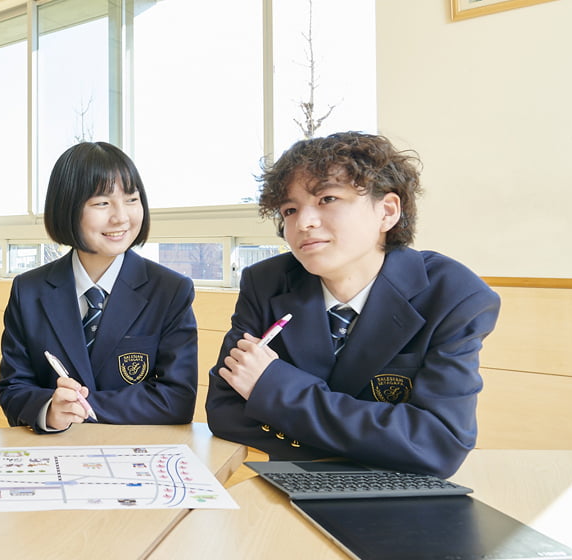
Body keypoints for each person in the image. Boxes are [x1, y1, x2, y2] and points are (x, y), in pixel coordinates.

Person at [206, 131, 500, 478]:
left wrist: (273, 388)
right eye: (290, 210)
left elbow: (437, 444)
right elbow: (225, 412)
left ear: (387, 211)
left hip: (400, 495)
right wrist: (380, 438)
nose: (303, 223)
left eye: (327, 198)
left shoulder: (453, 294)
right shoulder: (266, 282)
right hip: (286, 482)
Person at [0, 142, 199, 432]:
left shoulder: (170, 290)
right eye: (102, 203)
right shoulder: (28, 291)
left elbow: (177, 399)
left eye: (131, 199)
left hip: (137, 451)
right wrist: (49, 410)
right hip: (55, 449)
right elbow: (12, 387)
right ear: (66, 208)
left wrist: (80, 408)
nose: (121, 217)